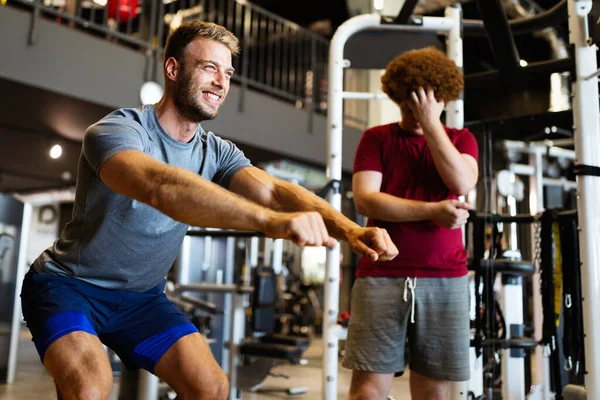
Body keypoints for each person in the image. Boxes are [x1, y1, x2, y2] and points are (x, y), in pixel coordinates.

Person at [20, 21, 398, 400]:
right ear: (173, 69)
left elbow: (275, 191)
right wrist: (269, 222)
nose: (222, 82)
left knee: (212, 388)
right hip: (67, 286)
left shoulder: (216, 151)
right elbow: (159, 187)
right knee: (88, 389)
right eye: (209, 68)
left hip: (140, 301)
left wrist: (352, 230)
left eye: (228, 72)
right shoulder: (118, 131)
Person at [342, 47, 479, 400]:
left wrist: (432, 124)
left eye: (428, 103)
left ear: (444, 100)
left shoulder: (462, 140)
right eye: (410, 103)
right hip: (381, 276)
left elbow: (461, 183)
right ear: (397, 98)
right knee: (367, 392)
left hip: (445, 278)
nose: (417, 113)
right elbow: (366, 200)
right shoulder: (377, 138)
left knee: (433, 392)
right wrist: (433, 212)